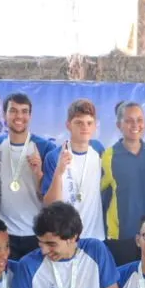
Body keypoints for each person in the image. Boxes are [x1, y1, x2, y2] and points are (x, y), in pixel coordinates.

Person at [0, 93, 57, 258]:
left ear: (30, 116)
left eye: (24, 111)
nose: (19, 116)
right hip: (4, 232)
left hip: (37, 232)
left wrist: (39, 173)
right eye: (13, 111)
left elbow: (50, 197)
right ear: (5, 115)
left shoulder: (45, 148)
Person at [101, 101, 145, 266]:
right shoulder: (108, 156)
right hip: (121, 237)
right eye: (129, 120)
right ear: (119, 125)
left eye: (139, 120)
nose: (135, 125)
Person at [42, 99, 106, 240]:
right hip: (65, 237)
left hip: (95, 236)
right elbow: (50, 204)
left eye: (89, 123)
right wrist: (59, 172)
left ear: (94, 126)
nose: (85, 127)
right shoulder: (54, 156)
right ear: (68, 125)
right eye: (79, 123)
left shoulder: (99, 150)